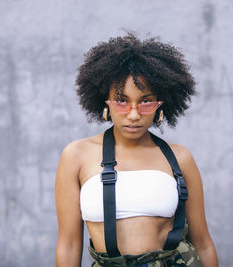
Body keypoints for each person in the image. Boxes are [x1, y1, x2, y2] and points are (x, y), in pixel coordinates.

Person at [55, 34, 218, 267]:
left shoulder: (179, 158)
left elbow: (202, 243)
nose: (134, 114)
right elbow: (69, 245)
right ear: (106, 102)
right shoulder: (76, 156)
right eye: (121, 101)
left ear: (161, 105)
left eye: (146, 102)